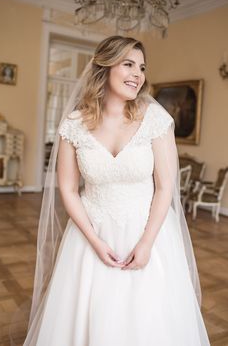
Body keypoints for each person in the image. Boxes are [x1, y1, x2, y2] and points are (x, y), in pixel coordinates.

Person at [22, 35, 210, 345]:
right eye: (128, 64)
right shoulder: (74, 124)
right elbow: (68, 189)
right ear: (104, 67)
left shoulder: (156, 121)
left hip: (148, 233)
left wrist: (147, 244)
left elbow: (164, 188)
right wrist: (94, 241)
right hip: (89, 235)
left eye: (142, 67)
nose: (138, 74)